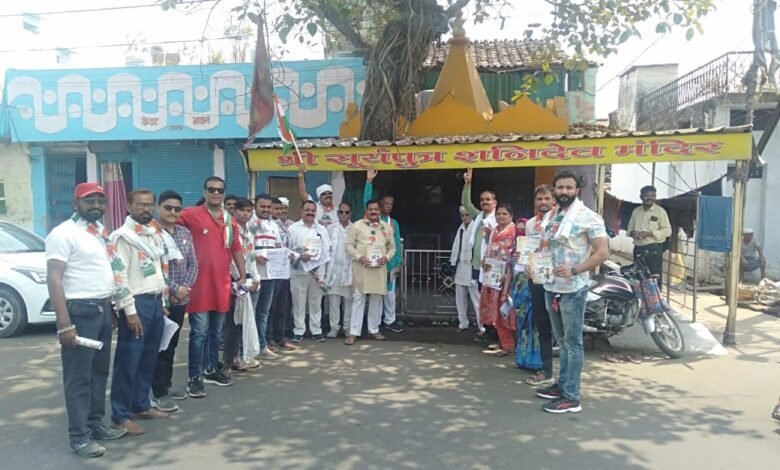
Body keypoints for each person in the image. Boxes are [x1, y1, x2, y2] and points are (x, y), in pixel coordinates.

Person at [46, 182, 127, 458]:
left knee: (98, 374)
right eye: (89, 200)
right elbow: (54, 279)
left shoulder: (99, 233)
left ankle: (96, 425)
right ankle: (79, 437)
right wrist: (64, 324)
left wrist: (111, 309)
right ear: (75, 203)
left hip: (101, 310)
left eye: (100, 201)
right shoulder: (63, 233)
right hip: (80, 313)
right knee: (78, 378)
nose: (96, 206)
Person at [536, 171, 608, 414]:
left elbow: (602, 253)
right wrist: (531, 262)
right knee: (563, 342)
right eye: (560, 187)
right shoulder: (553, 215)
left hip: (573, 289)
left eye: (569, 187)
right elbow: (547, 246)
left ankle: (571, 397)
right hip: (551, 286)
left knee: (573, 343)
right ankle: (562, 385)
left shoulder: (589, 217)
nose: (564, 191)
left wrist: (575, 269)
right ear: (554, 190)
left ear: (577, 190)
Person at [109, 189, 170, 435]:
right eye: (140, 205)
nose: (146, 209)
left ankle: (140, 404)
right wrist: (129, 311)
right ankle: (120, 415)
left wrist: (162, 301)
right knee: (128, 361)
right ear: (128, 206)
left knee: (148, 358)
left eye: (149, 204)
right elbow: (119, 276)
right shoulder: (122, 237)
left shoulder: (152, 235)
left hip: (154, 302)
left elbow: (158, 271)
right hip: (136, 305)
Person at [178, 176, 246, 397]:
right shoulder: (191, 214)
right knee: (199, 333)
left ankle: (210, 369)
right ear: (204, 191)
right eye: (211, 189)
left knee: (216, 332)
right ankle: (194, 377)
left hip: (221, 284)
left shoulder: (229, 220)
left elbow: (236, 249)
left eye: (220, 190)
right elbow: (168, 225)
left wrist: (243, 275)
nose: (216, 193)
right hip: (198, 285)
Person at [151, 190, 199, 413]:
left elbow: (193, 264)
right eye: (168, 208)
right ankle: (158, 392)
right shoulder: (151, 233)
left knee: (171, 344)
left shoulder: (184, 233)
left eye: (177, 209)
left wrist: (184, 289)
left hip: (181, 299)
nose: (172, 212)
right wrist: (173, 289)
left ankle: (166, 385)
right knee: (158, 347)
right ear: (158, 208)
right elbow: (153, 268)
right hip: (159, 300)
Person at [344, 199, 397, 345]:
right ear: (366, 211)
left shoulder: (386, 227)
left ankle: (373, 330)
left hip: (379, 269)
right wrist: (359, 257)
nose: (373, 212)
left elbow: (392, 248)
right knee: (358, 299)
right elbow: (348, 246)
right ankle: (353, 333)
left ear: (380, 211)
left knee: (376, 299)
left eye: (376, 209)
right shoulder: (357, 226)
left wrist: (386, 258)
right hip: (361, 268)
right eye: (370, 209)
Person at [222, 198, 261, 377]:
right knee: (232, 323)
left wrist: (255, 277)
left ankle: (239, 358)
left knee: (243, 322)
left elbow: (250, 255)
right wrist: (240, 278)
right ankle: (227, 363)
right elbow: (230, 257)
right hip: (233, 280)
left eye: (249, 211)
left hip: (247, 280)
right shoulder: (230, 229)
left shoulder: (250, 230)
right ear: (234, 211)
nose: (246, 214)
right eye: (242, 210)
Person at [523, 185, 556, 387]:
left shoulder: (560, 221)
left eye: (547, 198)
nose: (543, 202)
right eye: (539, 199)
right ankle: (547, 370)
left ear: (554, 201)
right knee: (542, 324)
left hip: (558, 279)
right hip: (536, 278)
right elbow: (529, 249)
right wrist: (524, 263)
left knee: (560, 328)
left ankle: (567, 377)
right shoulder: (530, 224)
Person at [364, 169, 403, 333]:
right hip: (375, 261)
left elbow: (397, 244)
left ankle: (389, 320)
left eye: (390, 204)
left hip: (389, 261)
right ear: (380, 205)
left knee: (390, 293)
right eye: (386, 204)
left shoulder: (394, 223)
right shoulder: (374, 219)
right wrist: (369, 182)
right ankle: (376, 322)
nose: (388, 206)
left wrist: (398, 262)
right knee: (377, 294)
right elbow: (366, 201)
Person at [288, 200, 332, 342]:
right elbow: (288, 250)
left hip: (317, 272)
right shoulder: (293, 228)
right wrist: (301, 256)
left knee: (316, 302)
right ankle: (299, 330)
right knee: (298, 303)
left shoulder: (321, 229)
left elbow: (328, 249)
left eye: (313, 211)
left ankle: (316, 330)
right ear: (301, 211)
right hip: (299, 271)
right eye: (307, 210)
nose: (310, 213)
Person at [461, 168, 496, 340]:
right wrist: (467, 185)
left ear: (495, 202)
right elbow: (466, 204)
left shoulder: (498, 218)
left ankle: (494, 332)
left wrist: (492, 233)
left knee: (493, 300)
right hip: (477, 265)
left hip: (492, 267)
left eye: (488, 199)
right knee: (483, 300)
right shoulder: (479, 216)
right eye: (482, 200)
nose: (484, 202)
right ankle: (486, 330)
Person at [477, 203, 517, 357]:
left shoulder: (515, 232)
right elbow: (489, 251)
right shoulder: (494, 231)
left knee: (509, 312)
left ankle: (513, 344)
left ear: (511, 216)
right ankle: (506, 344)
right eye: (499, 214)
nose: (501, 216)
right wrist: (485, 262)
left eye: (504, 214)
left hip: (509, 277)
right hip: (493, 277)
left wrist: (509, 273)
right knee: (498, 313)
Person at [251, 193, 282, 360]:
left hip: (269, 276)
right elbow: (242, 247)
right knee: (250, 313)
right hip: (253, 276)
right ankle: (247, 349)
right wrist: (255, 257)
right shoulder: (249, 223)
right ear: (255, 206)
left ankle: (262, 347)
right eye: (262, 206)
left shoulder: (274, 225)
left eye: (269, 207)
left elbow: (278, 248)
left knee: (263, 313)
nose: (266, 210)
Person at [268, 196, 297, 351]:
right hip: (270, 272)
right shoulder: (264, 225)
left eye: (281, 208)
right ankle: (268, 339)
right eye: (276, 208)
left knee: (282, 307)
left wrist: (295, 255)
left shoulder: (287, 226)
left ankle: (280, 338)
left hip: (284, 271)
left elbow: (289, 246)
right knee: (269, 308)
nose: (279, 211)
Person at [627, 185, 672, 284]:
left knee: (654, 278)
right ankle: (640, 294)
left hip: (654, 249)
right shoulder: (636, 211)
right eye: (647, 195)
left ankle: (656, 294)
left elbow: (668, 231)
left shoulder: (660, 211)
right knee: (638, 277)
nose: (650, 198)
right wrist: (633, 233)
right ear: (641, 197)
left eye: (653, 196)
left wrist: (649, 234)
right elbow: (629, 230)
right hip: (638, 249)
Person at [450, 206, 482, 332]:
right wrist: (453, 263)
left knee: (476, 299)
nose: (464, 217)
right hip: (460, 266)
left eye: (467, 215)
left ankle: (482, 327)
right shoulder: (461, 228)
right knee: (460, 299)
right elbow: (456, 246)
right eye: (462, 215)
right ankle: (463, 323)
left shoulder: (476, 227)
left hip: (472, 267)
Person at [325, 202, 355, 338]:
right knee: (334, 301)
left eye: (346, 212)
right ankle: (334, 328)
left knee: (349, 301)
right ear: (337, 213)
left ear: (350, 213)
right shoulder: (330, 228)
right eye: (341, 212)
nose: (344, 215)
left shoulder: (355, 229)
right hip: (334, 271)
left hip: (350, 271)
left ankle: (347, 327)